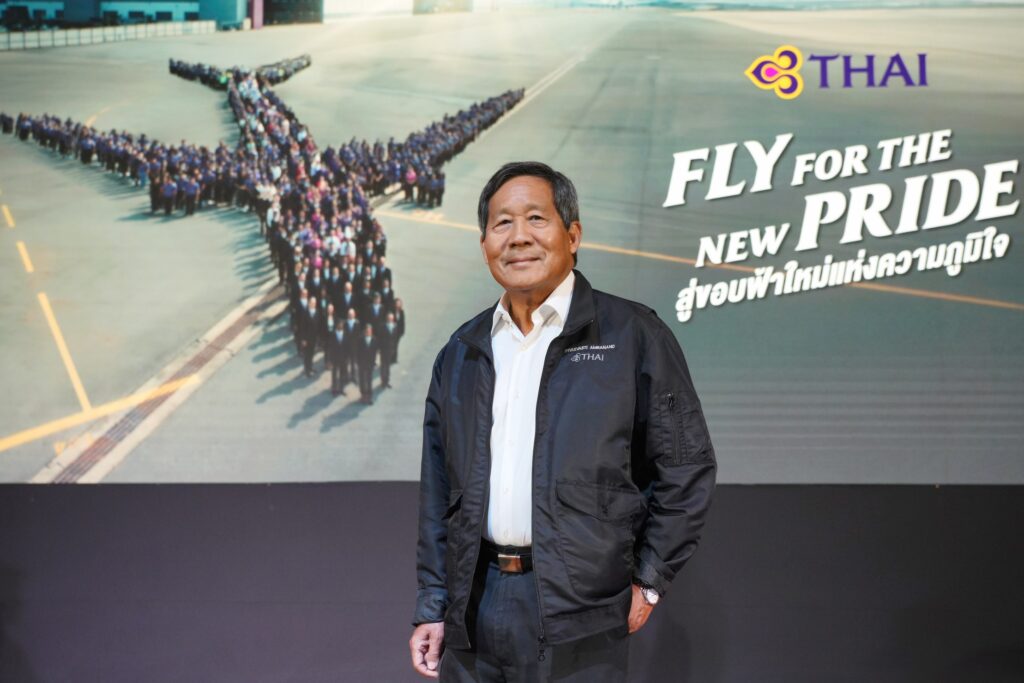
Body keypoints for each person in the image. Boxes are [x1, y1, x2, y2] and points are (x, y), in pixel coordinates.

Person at [410, 162, 716, 681]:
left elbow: (686, 468)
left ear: (572, 236)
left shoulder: (633, 335)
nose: (518, 237)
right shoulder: (462, 351)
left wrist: (650, 580)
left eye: (536, 218)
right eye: (502, 223)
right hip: (474, 608)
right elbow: (439, 492)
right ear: (484, 244)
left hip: (580, 613)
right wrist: (433, 604)